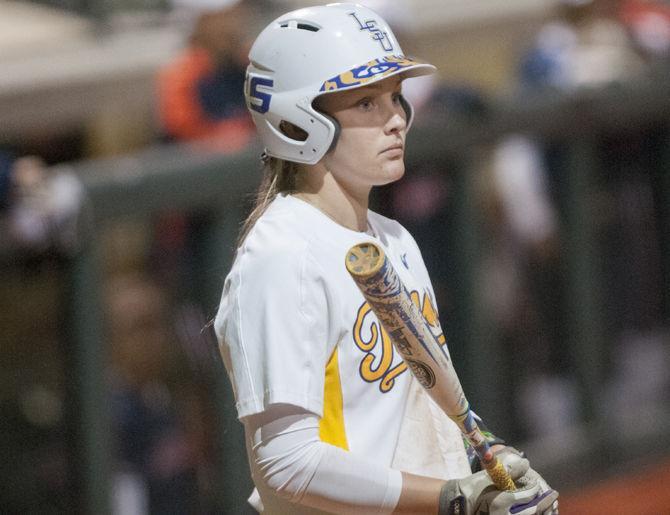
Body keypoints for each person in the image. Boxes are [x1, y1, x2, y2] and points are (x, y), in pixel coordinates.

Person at [214, 4, 559, 514]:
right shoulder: (281, 257)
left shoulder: (394, 238)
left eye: (396, 98)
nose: (397, 118)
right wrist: (451, 499)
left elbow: (410, 416)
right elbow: (286, 463)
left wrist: (483, 464)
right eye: (367, 104)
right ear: (298, 119)